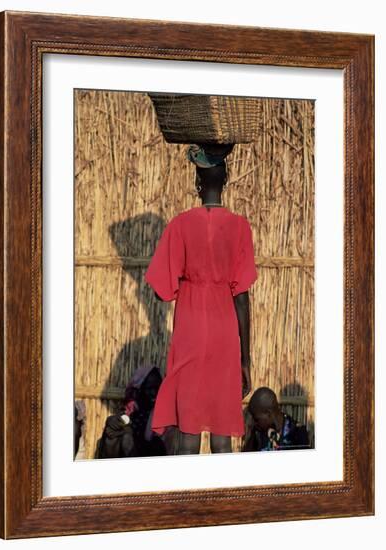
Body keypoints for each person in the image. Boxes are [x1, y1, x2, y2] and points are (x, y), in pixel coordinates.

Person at [144, 143, 258, 455]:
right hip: (224, 332)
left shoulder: (179, 225)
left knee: (188, 431)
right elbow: (242, 297)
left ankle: (187, 501)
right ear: (226, 179)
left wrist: (187, 280)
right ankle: (222, 500)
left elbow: (160, 290)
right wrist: (245, 359)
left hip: (191, 330)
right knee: (222, 431)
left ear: (197, 183)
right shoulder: (239, 227)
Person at [95, 365, 180, 458]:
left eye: (157, 388)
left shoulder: (164, 415)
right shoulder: (130, 410)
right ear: (140, 389)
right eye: (149, 388)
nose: (154, 393)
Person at [242, 386, 311, 451]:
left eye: (257, 419)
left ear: (268, 414)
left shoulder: (298, 433)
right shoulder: (258, 434)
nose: (255, 423)